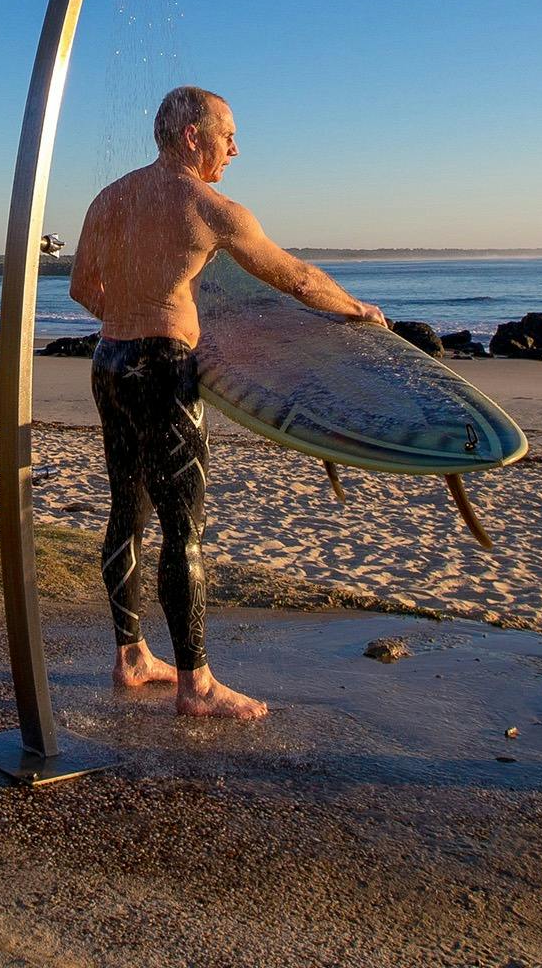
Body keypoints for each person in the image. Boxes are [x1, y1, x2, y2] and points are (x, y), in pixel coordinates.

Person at [70, 86, 386, 719]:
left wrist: (136, 318)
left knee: (126, 512)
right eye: (229, 134)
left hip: (110, 363)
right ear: (193, 135)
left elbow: (83, 287)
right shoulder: (212, 208)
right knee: (184, 527)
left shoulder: (111, 198)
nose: (236, 148)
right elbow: (294, 277)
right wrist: (358, 310)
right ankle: (197, 685)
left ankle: (131, 655)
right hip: (165, 372)